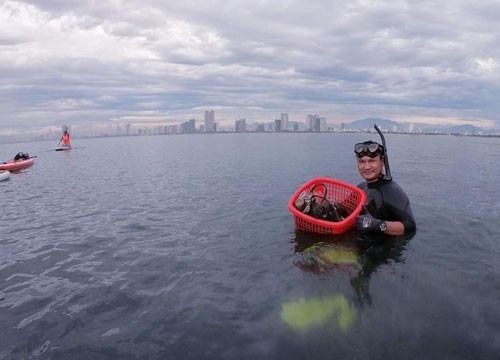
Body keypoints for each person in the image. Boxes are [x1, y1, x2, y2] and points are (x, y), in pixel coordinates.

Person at [354, 140, 416, 236]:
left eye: (372, 161)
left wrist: (378, 225)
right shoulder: (360, 188)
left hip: (384, 248)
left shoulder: (392, 191)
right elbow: (345, 211)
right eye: (362, 162)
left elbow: (410, 226)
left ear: (382, 161)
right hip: (361, 244)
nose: (366, 167)